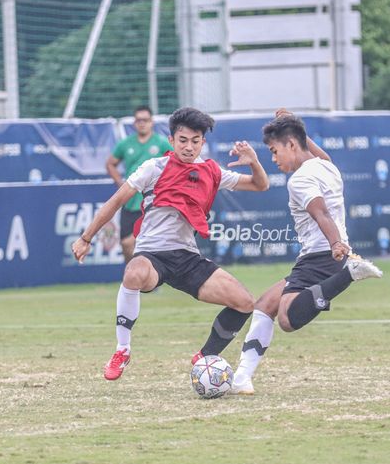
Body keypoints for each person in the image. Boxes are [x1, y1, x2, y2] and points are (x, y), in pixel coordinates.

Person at [72, 107, 270, 381]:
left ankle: (205, 356)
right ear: (172, 139)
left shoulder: (212, 171)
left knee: (245, 303)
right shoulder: (153, 168)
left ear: (203, 141)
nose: (189, 147)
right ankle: (122, 350)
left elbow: (260, 185)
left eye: (195, 141)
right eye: (183, 140)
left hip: (188, 258)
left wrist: (254, 162)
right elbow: (116, 201)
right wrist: (86, 238)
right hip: (153, 255)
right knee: (133, 273)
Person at [229, 111, 383, 395]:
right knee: (265, 305)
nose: (274, 160)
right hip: (323, 255)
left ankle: (350, 274)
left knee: (287, 319)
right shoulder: (327, 166)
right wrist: (296, 126)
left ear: (291, 144)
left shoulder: (299, 181)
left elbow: (321, 212)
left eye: (275, 152)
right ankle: (241, 378)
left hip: (322, 256)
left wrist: (337, 244)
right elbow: (314, 151)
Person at [106, 105, 173, 262]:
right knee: (126, 244)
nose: (142, 123)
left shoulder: (162, 143)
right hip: (130, 201)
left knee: (147, 243)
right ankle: (135, 279)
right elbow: (110, 164)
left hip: (154, 202)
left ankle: (150, 277)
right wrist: (120, 182)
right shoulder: (125, 144)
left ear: (152, 122)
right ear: (134, 123)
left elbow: (177, 163)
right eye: (138, 120)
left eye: (145, 120)